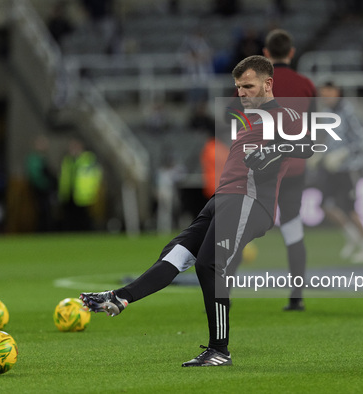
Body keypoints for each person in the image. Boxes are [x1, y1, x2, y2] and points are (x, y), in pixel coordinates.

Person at [80, 55, 313, 367]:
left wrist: (271, 152)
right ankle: (120, 298)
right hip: (223, 199)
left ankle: (220, 350)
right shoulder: (250, 117)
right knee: (176, 253)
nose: (241, 92)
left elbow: (306, 143)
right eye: (238, 87)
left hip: (250, 201)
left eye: (248, 86)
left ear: (268, 84)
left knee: (209, 264)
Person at [226, 29, 316, 311]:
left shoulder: (254, 84)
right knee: (292, 227)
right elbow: (310, 129)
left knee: (239, 231)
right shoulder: (305, 85)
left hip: (257, 170)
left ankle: (221, 294)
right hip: (294, 169)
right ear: (292, 52)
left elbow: (235, 119)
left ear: (266, 53)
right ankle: (296, 296)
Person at [311, 82, 363, 264]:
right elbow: (330, 141)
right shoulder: (327, 113)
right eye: (323, 93)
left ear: (338, 93)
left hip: (350, 167)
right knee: (325, 205)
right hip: (332, 167)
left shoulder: (349, 112)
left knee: (349, 208)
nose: (325, 97)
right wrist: (320, 154)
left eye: (328, 93)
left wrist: (344, 153)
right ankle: (352, 236)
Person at [58, 138, 103, 232]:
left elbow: (96, 175)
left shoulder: (88, 159)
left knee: (84, 218)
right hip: (68, 193)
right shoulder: (67, 160)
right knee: (70, 218)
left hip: (83, 193)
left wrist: (95, 189)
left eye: (75, 146)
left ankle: (87, 235)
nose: (72, 149)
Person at [25, 135, 57, 232]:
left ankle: (47, 229)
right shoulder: (34, 159)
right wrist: (47, 185)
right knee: (43, 211)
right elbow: (36, 177)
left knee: (47, 211)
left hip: (45, 189)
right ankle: (43, 230)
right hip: (40, 190)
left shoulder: (43, 158)